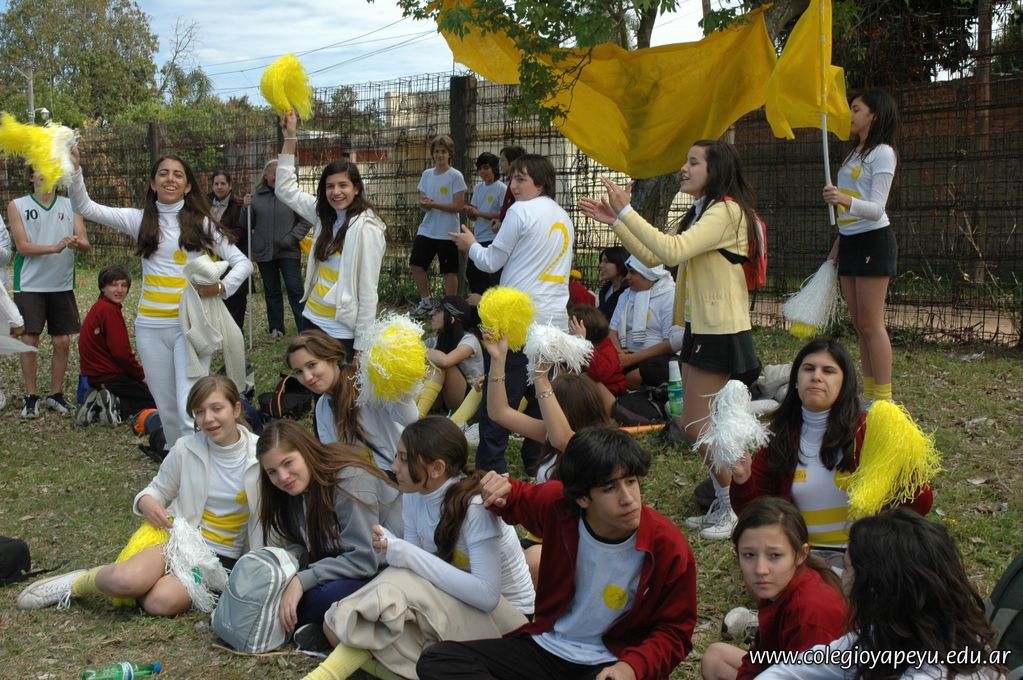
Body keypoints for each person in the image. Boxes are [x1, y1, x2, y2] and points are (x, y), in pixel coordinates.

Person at [579, 140, 764, 540]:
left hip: (720, 329)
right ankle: (729, 500)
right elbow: (656, 257)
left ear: (716, 170)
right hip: (702, 327)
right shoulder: (705, 210)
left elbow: (672, 250)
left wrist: (626, 211)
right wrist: (616, 223)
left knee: (695, 424)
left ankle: (736, 505)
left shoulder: (727, 211)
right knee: (700, 422)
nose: (684, 168)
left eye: (693, 162)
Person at [416, 427, 697, 680]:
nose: (628, 498)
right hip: (546, 647)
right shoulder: (559, 507)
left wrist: (632, 667)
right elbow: (518, 496)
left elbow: (675, 631)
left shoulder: (667, 545)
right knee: (439, 660)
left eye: (631, 481)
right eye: (610, 488)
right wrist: (499, 489)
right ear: (582, 498)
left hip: (611, 661)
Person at [302, 417, 534, 680]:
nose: (394, 466)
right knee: (379, 621)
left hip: (507, 622)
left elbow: (487, 595)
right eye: (396, 457)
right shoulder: (414, 496)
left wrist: (407, 555)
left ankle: (333, 664)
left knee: (374, 616)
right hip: (453, 603)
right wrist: (397, 552)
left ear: (436, 469)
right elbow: (415, 573)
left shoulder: (476, 508)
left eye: (403, 459)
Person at [16, 376, 261, 615]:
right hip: (179, 539)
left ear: (236, 409)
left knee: (160, 602)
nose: (208, 419)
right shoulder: (187, 448)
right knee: (126, 580)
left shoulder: (259, 455)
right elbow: (156, 490)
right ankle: (79, 582)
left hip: (220, 560)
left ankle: (147, 579)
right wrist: (147, 502)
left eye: (217, 408)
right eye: (199, 412)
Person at [69, 149, 252, 447]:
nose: (170, 179)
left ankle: (199, 466)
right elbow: (84, 207)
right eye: (163, 174)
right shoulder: (138, 220)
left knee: (189, 406)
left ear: (188, 186)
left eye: (178, 175)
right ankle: (177, 459)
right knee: (167, 410)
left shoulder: (201, 223)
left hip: (189, 327)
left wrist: (221, 288)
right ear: (153, 183)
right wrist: (75, 171)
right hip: (150, 327)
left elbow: (242, 263)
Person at [730, 338, 933, 564]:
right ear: (796, 381)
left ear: (844, 383)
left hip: (865, 560)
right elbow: (754, 514)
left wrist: (906, 469)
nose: (816, 376)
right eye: (809, 369)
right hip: (804, 561)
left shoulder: (868, 430)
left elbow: (920, 506)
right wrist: (743, 479)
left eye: (828, 371)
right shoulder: (779, 437)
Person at [756, 509, 1005, 680]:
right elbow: (795, 670)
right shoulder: (889, 635)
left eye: (847, 568)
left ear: (874, 589)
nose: (841, 576)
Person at [450, 153, 575, 475]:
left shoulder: (520, 211)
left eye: (521, 179)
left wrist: (470, 244)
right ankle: (538, 463)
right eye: (512, 179)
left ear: (541, 182)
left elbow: (490, 261)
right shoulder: (563, 215)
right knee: (541, 392)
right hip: (553, 320)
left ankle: (492, 467)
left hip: (518, 319)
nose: (514, 186)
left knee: (501, 391)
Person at [484, 332, 612, 584]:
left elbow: (563, 438)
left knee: (531, 561)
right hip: (541, 535)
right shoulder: (549, 435)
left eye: (549, 404)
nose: (543, 410)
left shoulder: (592, 448)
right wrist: (498, 360)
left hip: (577, 544)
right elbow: (499, 413)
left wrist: (540, 378)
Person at [256, 419, 402, 638]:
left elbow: (365, 560)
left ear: (306, 451)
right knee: (280, 594)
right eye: (272, 471)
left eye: (288, 463)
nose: (282, 477)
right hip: (348, 568)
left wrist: (301, 580)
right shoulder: (292, 491)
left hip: (387, 570)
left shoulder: (350, 481)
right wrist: (294, 556)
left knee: (317, 599)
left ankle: (316, 626)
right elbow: (315, 546)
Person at [276, 110, 387, 356]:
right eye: (330, 186)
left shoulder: (368, 228)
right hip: (311, 317)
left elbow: (368, 290)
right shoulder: (323, 214)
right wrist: (290, 137)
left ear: (356, 189)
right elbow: (285, 189)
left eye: (343, 185)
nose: (336, 192)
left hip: (341, 330)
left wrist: (361, 345)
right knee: (311, 378)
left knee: (338, 382)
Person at [700, 497, 848, 680]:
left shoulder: (810, 612)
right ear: (737, 554)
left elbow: (811, 675)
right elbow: (763, 656)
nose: (761, 569)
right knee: (715, 658)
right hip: (784, 667)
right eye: (749, 555)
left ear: (801, 555)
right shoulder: (778, 585)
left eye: (775, 556)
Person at [823, 90, 899, 403]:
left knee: (871, 323)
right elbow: (851, 210)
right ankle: (869, 395)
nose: (850, 114)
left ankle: (884, 399)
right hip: (850, 241)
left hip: (873, 241)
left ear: (874, 115)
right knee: (859, 324)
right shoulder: (855, 153)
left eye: (856, 109)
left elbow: (877, 208)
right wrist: (839, 242)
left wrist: (842, 198)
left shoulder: (883, 153)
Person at [7, 166, 90, 418]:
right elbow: (22, 247)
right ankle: (31, 396)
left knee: (62, 341)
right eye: (40, 170)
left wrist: (76, 243)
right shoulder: (17, 205)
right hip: (29, 284)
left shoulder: (71, 205)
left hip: (61, 283)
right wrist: (54, 247)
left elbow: (85, 243)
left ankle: (56, 395)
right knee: (29, 340)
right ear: (31, 176)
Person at [285, 330, 418, 469]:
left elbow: (410, 418)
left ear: (332, 358)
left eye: (312, 365)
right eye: (299, 372)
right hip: (366, 479)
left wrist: (399, 383)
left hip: (403, 471)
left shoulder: (370, 384)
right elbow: (334, 457)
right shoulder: (322, 407)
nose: (307, 377)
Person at [240, 158, 311, 338]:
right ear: (265, 175)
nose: (277, 178)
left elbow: (306, 220)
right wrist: (245, 208)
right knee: (272, 291)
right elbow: (247, 224)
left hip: (288, 250)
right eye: (274, 174)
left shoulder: (292, 196)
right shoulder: (256, 198)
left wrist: (292, 238)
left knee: (295, 289)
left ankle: (304, 327)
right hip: (264, 252)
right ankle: (276, 328)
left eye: (281, 174)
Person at [78, 265, 156, 418]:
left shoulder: (100, 306)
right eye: (114, 285)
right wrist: (141, 375)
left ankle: (99, 399)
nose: (120, 290)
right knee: (156, 400)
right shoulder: (109, 311)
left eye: (124, 285)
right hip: (110, 376)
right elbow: (121, 353)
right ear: (102, 287)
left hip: (94, 376)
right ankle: (112, 406)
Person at [410, 134, 467, 314]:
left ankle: (449, 308)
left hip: (447, 232)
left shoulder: (455, 176)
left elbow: (459, 206)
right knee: (416, 265)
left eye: (443, 151)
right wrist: (425, 204)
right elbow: (422, 202)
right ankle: (426, 302)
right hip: (427, 229)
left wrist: (434, 204)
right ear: (432, 153)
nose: (440, 155)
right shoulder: (427, 174)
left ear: (450, 154)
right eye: (437, 151)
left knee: (449, 272)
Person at [608, 256, 676, 389]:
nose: (627, 277)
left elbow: (670, 343)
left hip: (656, 360)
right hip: (624, 356)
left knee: (633, 377)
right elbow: (612, 331)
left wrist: (631, 359)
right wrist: (619, 353)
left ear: (648, 274)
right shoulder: (625, 295)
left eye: (632, 272)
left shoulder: (669, 296)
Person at [417, 295, 485, 427]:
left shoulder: (470, 340)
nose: (431, 314)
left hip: (467, 399)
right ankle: (412, 412)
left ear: (452, 318)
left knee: (441, 364)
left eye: (438, 311)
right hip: (443, 397)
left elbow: (446, 361)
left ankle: (417, 417)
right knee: (424, 362)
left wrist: (418, 348)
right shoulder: (438, 339)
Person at [208, 169, 249, 330]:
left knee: (235, 298)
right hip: (209, 258)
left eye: (223, 183)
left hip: (231, 256)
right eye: (216, 184)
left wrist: (220, 237)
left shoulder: (238, 205)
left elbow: (243, 231)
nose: (219, 187)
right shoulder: (204, 203)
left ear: (230, 185)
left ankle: (236, 332)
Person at [466, 152, 506, 296]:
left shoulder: (501, 188)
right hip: (478, 237)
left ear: (494, 168)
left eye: (486, 168)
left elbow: (503, 215)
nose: (483, 171)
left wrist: (479, 213)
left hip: (493, 238)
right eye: (480, 168)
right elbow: (474, 214)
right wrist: (470, 212)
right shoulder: (478, 188)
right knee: (473, 274)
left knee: (492, 278)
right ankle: (478, 304)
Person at [568, 304, 627, 401]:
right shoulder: (577, 346)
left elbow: (600, 373)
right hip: (587, 391)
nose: (569, 332)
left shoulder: (607, 348)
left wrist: (583, 343)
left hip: (611, 394)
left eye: (572, 328)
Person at [597, 246, 629, 321]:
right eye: (601, 261)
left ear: (619, 263)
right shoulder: (606, 289)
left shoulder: (628, 291)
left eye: (606, 262)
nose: (601, 265)